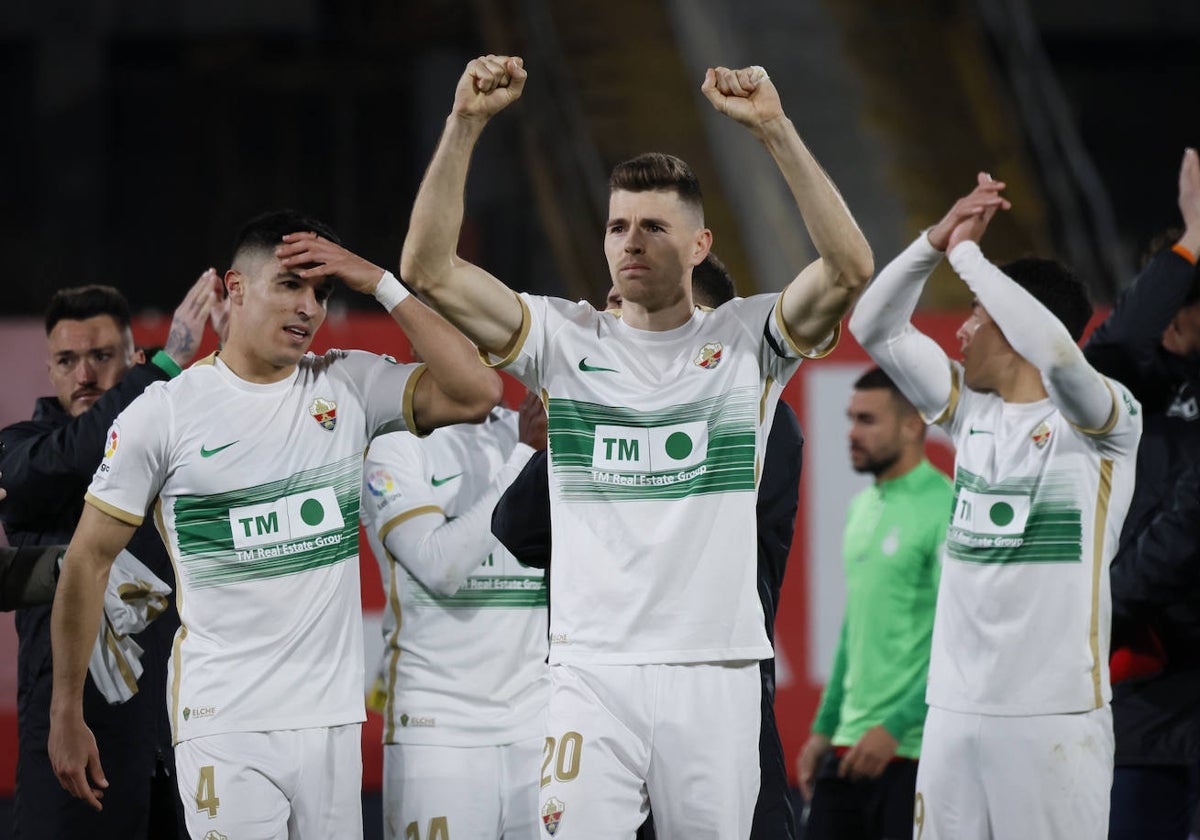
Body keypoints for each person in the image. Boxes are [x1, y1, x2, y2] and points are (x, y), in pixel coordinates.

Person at [402, 55, 872, 838]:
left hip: (714, 676)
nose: (631, 241)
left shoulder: (748, 342)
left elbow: (850, 268)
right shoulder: (560, 339)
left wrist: (776, 132)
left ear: (699, 244)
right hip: (591, 674)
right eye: (619, 225)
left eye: (654, 226)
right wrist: (465, 124)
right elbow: (426, 268)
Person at [47, 210, 503, 839]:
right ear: (234, 289)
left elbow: (478, 390)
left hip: (332, 724)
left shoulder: (348, 384)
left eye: (322, 292)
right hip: (225, 721)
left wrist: (379, 283)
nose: (309, 307)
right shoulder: (166, 415)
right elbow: (86, 560)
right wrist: (65, 712)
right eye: (290, 284)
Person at [848, 173, 1143, 839]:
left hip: (1052, 719)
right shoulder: (968, 413)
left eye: (975, 317)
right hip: (952, 711)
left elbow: (1061, 360)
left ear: (1010, 323)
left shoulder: (1107, 424)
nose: (960, 333)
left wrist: (971, 260)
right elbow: (874, 325)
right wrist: (935, 241)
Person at [490, 253, 805, 839]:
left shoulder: (764, 420)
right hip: (609, 679)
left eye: (622, 308)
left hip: (714, 684)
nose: (612, 329)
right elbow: (514, 528)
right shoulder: (594, 411)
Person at [0, 276, 220, 838]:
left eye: (101, 356)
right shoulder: (22, 454)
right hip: (70, 748)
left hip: (174, 746)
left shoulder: (172, 455)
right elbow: (80, 455)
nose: (85, 374)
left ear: (131, 357)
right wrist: (165, 370)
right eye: (67, 359)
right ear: (49, 369)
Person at [361, 389, 549, 840]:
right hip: (437, 728)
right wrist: (525, 456)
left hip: (539, 723)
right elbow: (439, 566)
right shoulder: (394, 443)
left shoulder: (531, 427)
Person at [1083, 148, 1200, 839]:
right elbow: (1109, 349)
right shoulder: (1134, 394)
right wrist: (1188, 247)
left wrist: (1108, 600)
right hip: (1145, 702)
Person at [796, 366, 951, 840]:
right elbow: (854, 627)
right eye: (849, 418)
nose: (852, 433)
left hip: (913, 749)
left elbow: (958, 638)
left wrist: (897, 726)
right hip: (849, 743)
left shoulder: (947, 505)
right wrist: (824, 727)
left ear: (912, 425)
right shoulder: (862, 508)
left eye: (867, 420)